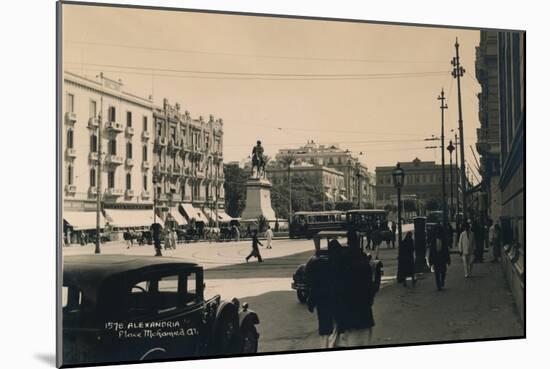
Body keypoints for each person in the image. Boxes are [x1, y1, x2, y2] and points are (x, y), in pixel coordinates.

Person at [305, 239, 340, 348]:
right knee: (336, 326)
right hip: (335, 300)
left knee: (324, 326)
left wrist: (311, 302)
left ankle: (325, 346)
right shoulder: (338, 264)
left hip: (322, 302)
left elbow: (315, 286)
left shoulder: (320, 264)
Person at [428, 226, 451, 291]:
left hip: (442, 259)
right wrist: (430, 261)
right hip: (436, 259)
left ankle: (442, 281)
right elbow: (431, 252)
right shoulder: (433, 241)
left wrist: (448, 260)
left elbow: (446, 251)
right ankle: (438, 285)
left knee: (443, 272)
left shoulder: (444, 241)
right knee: (437, 273)